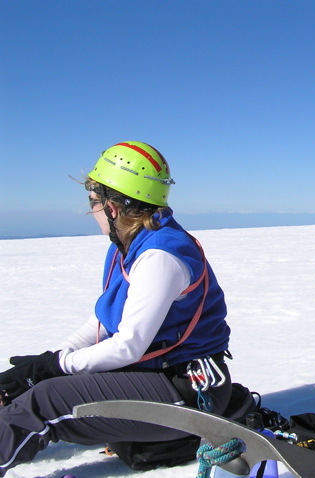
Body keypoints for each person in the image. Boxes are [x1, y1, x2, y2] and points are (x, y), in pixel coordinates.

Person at [0, 141, 233, 475]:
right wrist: (50, 361)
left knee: (45, 402)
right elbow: (102, 322)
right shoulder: (128, 244)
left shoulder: (159, 256)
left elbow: (128, 345)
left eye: (93, 201)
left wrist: (54, 368)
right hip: (157, 374)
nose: (91, 210)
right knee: (33, 387)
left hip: (189, 389)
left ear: (111, 207)